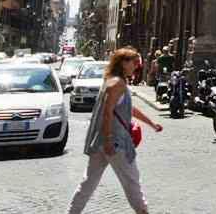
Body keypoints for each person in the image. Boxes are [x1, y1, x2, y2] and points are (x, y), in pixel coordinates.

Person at [67, 47, 162, 214]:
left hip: (100, 142)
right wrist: (109, 139)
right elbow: (107, 112)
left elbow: (128, 109)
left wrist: (151, 123)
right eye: (134, 62)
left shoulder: (111, 81)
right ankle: (142, 211)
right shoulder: (117, 83)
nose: (136, 66)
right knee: (132, 181)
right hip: (115, 142)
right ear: (123, 63)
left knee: (88, 182)